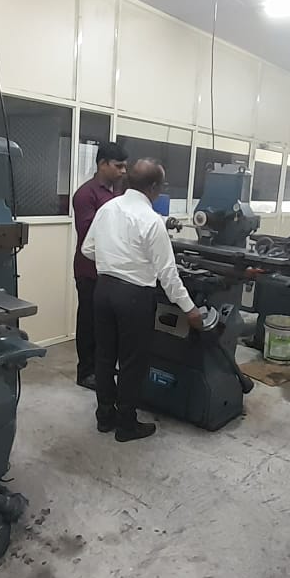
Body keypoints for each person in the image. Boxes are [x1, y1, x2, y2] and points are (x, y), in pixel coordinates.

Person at [83, 158, 203, 442]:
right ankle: (126, 425)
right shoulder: (151, 221)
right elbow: (168, 274)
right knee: (132, 362)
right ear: (154, 188)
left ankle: (104, 417)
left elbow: (88, 249)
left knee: (104, 356)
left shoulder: (107, 208)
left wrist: (113, 260)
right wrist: (190, 309)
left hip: (103, 291)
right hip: (134, 297)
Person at [71, 140, 127, 389]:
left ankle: (101, 367)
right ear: (102, 164)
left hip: (112, 270)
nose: (123, 171)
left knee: (106, 324)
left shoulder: (119, 192)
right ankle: (86, 372)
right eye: (118, 166)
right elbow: (90, 233)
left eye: (125, 167)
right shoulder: (86, 195)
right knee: (89, 322)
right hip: (89, 271)